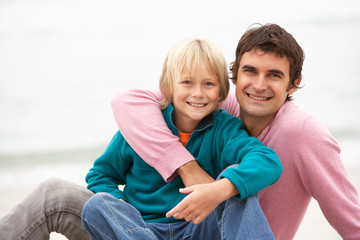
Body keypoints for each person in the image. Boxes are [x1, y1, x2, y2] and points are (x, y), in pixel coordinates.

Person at [110, 24, 360, 240]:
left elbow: (351, 221)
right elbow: (127, 102)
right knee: (83, 203)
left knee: (236, 181)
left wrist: (221, 188)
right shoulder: (220, 104)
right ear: (234, 75)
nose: (259, 85)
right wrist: (186, 168)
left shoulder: (304, 133)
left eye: (274, 75)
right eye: (250, 71)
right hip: (195, 231)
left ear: (293, 84)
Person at [81, 38, 282, 240]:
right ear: (168, 87)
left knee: (236, 180)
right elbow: (101, 175)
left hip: (198, 229)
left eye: (208, 84)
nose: (198, 93)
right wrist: (122, 206)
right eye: (187, 82)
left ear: (221, 91)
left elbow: (266, 160)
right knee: (96, 205)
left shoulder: (225, 129)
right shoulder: (142, 128)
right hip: (142, 230)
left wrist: (221, 189)